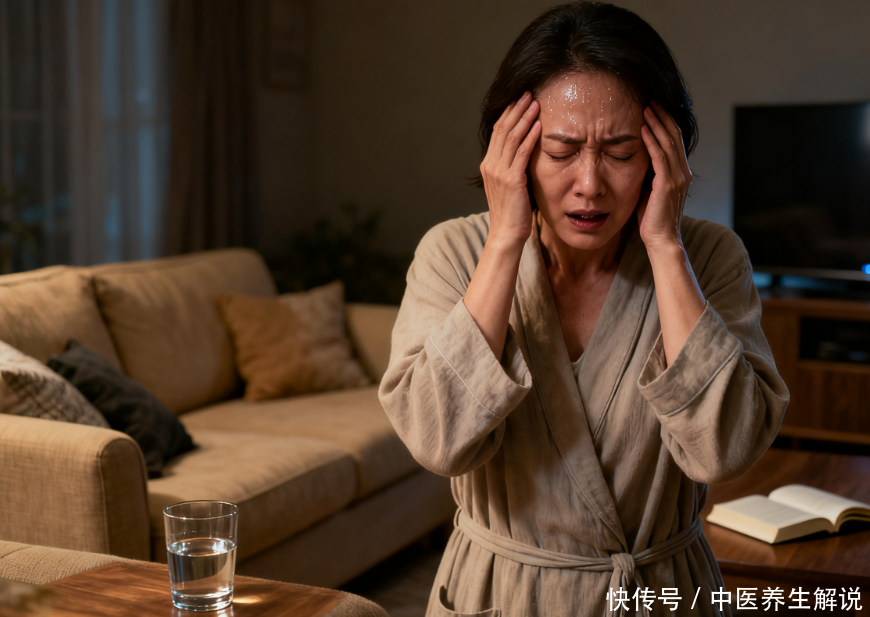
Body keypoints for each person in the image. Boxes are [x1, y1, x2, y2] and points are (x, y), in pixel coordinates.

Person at [378, 2, 789, 616]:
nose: (590, 184)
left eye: (621, 153)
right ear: (511, 151)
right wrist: (505, 241)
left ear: (664, 154)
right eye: (561, 151)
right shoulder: (455, 253)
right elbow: (438, 441)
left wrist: (665, 246)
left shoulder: (707, 258)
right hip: (503, 593)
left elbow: (723, 451)